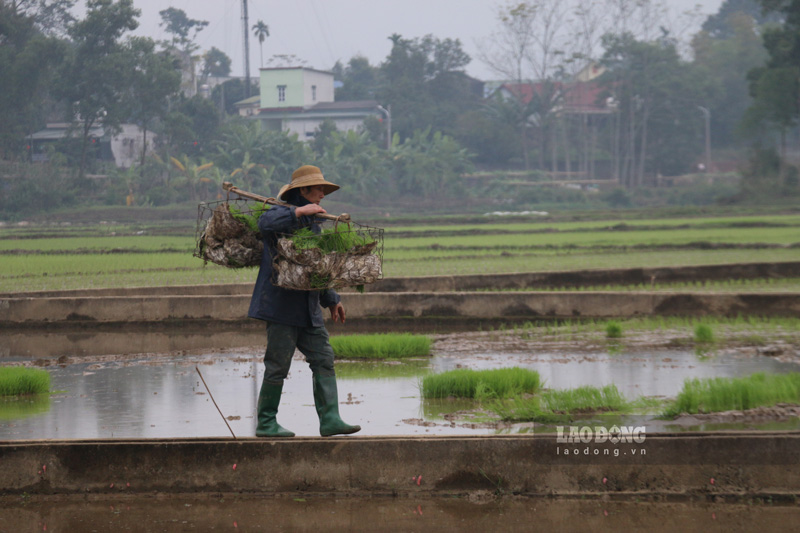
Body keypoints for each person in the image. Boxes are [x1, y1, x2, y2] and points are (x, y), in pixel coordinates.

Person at [248, 165, 361, 438]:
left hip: (308, 310)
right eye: (318, 189)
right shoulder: (279, 212)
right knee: (278, 365)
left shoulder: (315, 224)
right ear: (303, 191)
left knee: (324, 359)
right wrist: (298, 212)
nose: (322, 194)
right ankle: (266, 423)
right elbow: (265, 224)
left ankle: (331, 419)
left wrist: (332, 299)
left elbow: (317, 267)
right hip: (281, 308)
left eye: (323, 189)